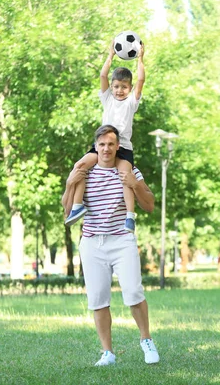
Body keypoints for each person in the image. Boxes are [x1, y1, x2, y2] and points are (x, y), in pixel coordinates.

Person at [62, 124, 159, 367]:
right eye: (102, 144)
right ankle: (108, 353)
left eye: (111, 144)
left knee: (134, 292)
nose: (106, 149)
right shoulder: (84, 172)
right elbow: (67, 213)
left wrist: (135, 184)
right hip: (92, 242)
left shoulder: (129, 170)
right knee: (97, 299)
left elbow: (149, 205)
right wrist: (69, 184)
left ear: (118, 147)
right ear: (96, 146)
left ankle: (146, 340)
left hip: (121, 239)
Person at [65, 37, 146, 232]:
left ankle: (129, 216)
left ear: (130, 88)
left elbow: (141, 80)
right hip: (104, 145)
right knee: (80, 166)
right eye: (116, 86)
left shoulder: (131, 103)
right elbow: (102, 76)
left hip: (123, 146)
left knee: (125, 175)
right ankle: (77, 206)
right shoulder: (107, 98)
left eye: (124, 87)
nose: (120, 90)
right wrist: (110, 55)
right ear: (111, 87)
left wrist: (141, 59)